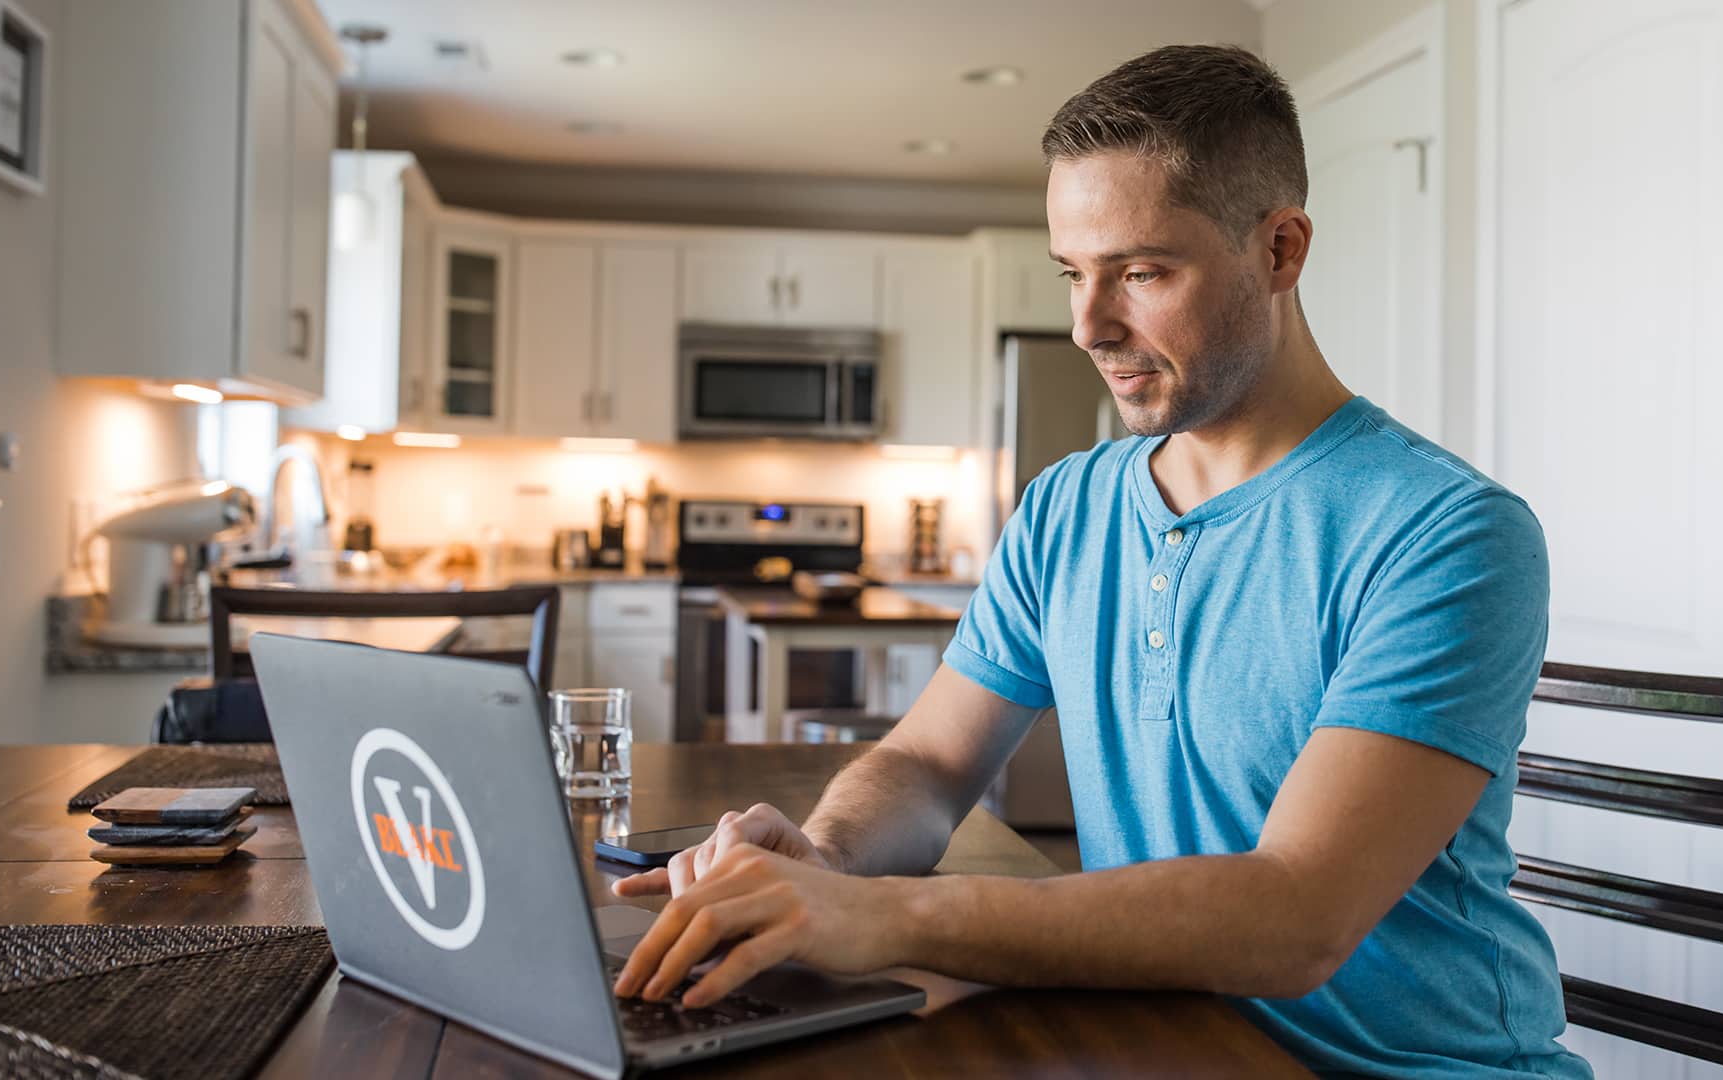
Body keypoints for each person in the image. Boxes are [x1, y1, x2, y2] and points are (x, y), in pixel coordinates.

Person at [611, 44, 1592, 1079]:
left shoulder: (1445, 534)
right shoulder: (1065, 510)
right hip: (1158, 1043)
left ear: (1281, 250)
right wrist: (828, 858)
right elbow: (929, 763)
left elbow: (1298, 917)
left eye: (1141, 272)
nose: (1089, 325)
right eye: (1074, 274)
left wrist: (885, 916)